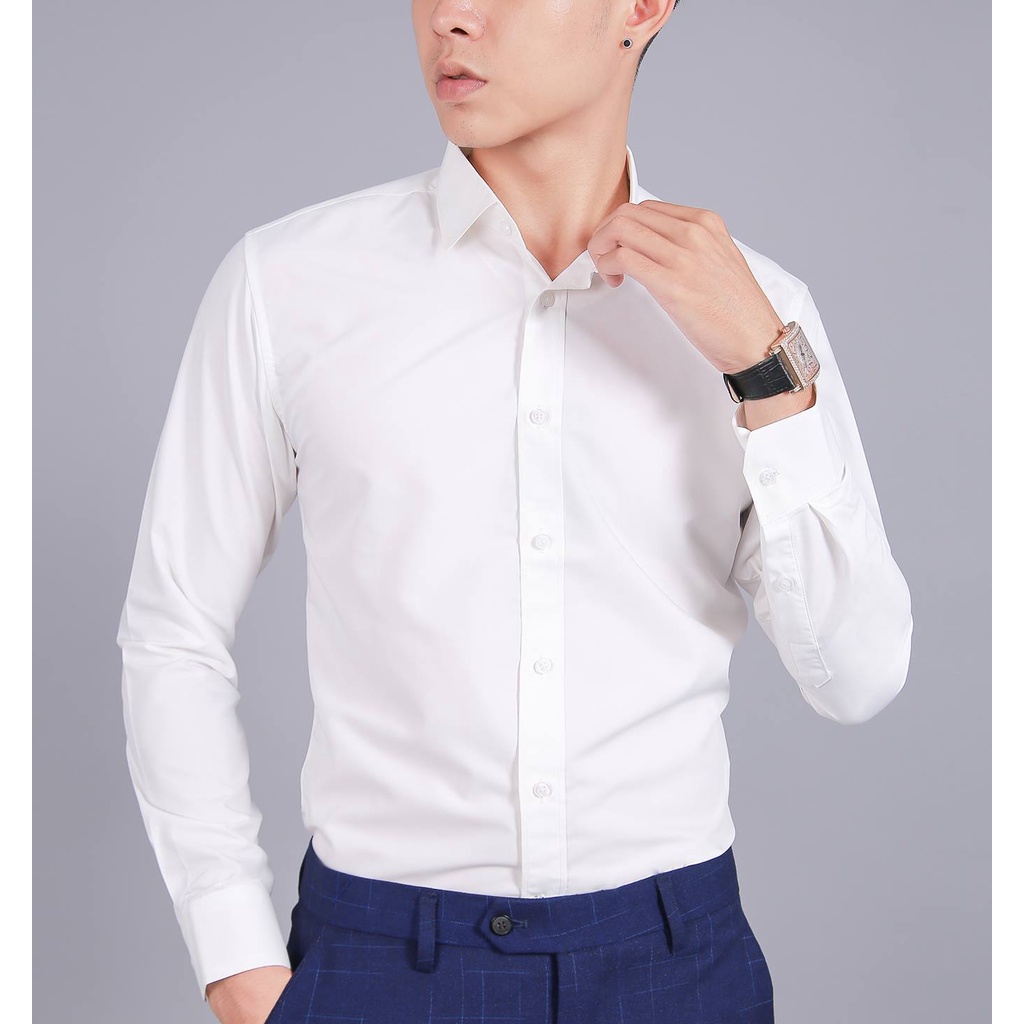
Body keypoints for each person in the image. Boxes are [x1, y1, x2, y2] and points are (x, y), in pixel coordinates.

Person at [115, 1, 913, 1021]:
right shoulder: (289, 284)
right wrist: (235, 956)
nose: (450, 17)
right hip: (379, 960)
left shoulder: (761, 313)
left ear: (641, 9)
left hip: (676, 968)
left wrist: (765, 369)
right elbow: (173, 627)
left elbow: (857, 676)